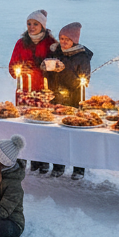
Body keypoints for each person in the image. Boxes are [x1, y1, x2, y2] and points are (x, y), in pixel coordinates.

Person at [8, 9, 56, 173]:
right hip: (24, 92)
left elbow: (56, 65)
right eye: (29, 24)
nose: (31, 27)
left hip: (43, 92)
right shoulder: (21, 43)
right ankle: (23, 157)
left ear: (42, 26)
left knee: (42, 126)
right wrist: (19, 69)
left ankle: (42, 159)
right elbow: (12, 67)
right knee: (24, 126)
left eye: (35, 24)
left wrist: (45, 67)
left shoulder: (51, 43)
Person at [46, 21, 93, 179]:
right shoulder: (56, 53)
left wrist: (63, 70)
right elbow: (50, 77)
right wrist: (46, 68)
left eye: (67, 39)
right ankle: (58, 165)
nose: (63, 42)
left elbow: (82, 82)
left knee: (76, 136)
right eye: (61, 38)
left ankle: (79, 168)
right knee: (57, 135)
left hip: (75, 101)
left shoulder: (82, 57)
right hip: (56, 99)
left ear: (75, 40)